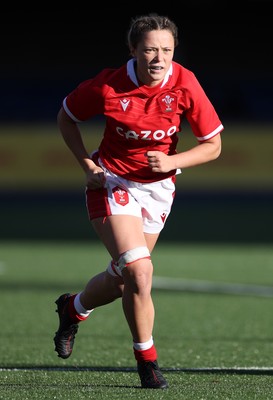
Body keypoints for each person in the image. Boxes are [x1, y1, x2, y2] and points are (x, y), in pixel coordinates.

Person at [53, 13, 224, 390]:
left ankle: (73, 308)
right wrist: (86, 165)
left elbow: (214, 145)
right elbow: (67, 117)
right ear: (133, 50)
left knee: (123, 280)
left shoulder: (185, 83)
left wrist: (173, 162)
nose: (158, 58)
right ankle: (147, 362)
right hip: (112, 182)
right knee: (140, 272)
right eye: (149, 49)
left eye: (166, 49)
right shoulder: (108, 85)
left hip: (159, 189)